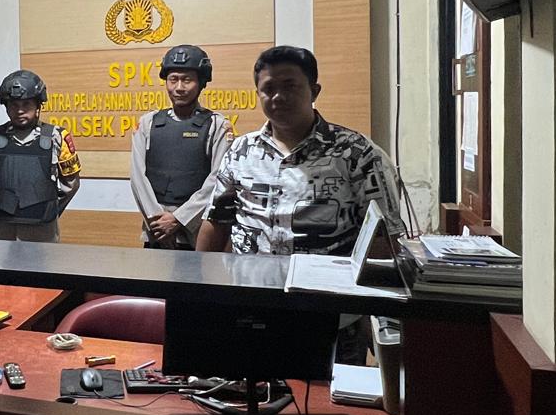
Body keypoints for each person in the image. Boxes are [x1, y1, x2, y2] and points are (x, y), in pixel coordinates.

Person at [195, 46, 404, 361]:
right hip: (252, 310)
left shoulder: (357, 153)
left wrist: (369, 308)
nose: (278, 96)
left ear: (314, 91)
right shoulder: (241, 151)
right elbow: (216, 223)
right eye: (268, 89)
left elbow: (384, 239)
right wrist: (199, 294)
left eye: (290, 86)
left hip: (331, 315)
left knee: (328, 394)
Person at [130, 45, 231, 248]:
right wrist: (157, 222)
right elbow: (137, 176)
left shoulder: (217, 125)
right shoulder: (148, 122)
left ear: (201, 82)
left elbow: (218, 179)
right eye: (173, 79)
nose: (179, 87)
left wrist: (178, 220)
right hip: (156, 231)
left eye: (187, 80)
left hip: (198, 231)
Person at [0, 69, 81, 242]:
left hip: (43, 236)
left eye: (26, 104)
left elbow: (71, 184)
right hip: (2, 235)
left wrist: (48, 208)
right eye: (14, 104)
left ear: (38, 105)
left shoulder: (57, 138)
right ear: (6, 106)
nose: (20, 110)